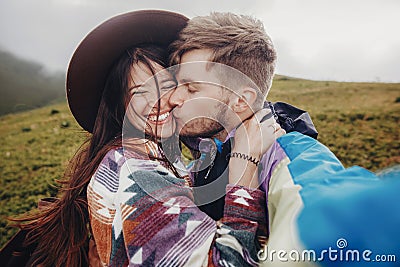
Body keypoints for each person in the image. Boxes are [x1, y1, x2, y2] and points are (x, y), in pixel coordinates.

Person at [10, 10, 280, 267]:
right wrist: (245, 174)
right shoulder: (136, 171)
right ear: (121, 105)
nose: (164, 101)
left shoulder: (148, 157)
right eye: (141, 92)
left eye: (169, 85)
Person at [168, 12, 400, 266]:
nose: (174, 98)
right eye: (176, 85)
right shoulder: (200, 162)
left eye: (191, 88)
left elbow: (330, 215)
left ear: (241, 101)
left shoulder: (290, 155)